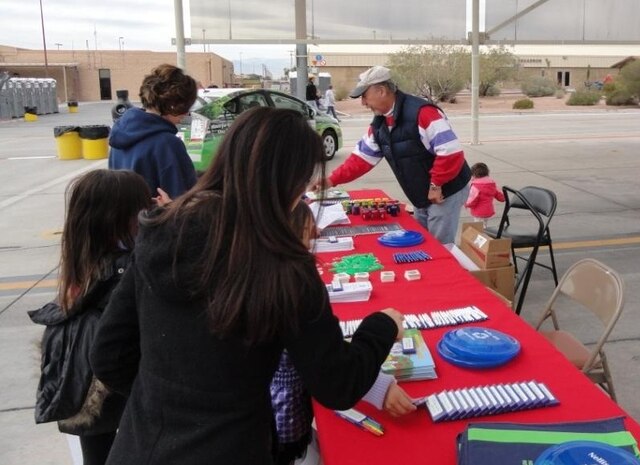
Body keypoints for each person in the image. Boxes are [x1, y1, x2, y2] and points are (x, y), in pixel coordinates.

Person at [89, 107, 405, 465]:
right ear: (289, 184)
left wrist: (167, 404)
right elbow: (338, 384)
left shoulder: (163, 229)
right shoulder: (282, 265)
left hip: (140, 447)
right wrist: (382, 327)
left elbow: (109, 355)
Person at [272, 202, 415, 465]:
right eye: (307, 234)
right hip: (279, 430)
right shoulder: (289, 284)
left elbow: (314, 354)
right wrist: (383, 326)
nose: (314, 240)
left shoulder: (253, 269)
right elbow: (331, 374)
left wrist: (375, 385)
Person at [29, 169, 152, 465]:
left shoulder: (83, 264)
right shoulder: (127, 269)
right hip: (119, 388)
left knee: (96, 453)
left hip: (87, 392)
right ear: (124, 217)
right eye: (144, 207)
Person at [320, 65, 471, 244]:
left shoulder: (423, 112)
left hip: (446, 190)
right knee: (423, 243)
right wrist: (330, 180)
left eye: (364, 96)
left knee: (440, 246)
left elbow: (450, 151)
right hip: (423, 193)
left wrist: (436, 184)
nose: (363, 103)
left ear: (382, 91)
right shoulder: (379, 124)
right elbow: (361, 159)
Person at [108, 63, 198, 200]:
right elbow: (183, 200)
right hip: (157, 219)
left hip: (126, 218)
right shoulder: (167, 144)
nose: (186, 115)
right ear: (174, 106)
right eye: (186, 109)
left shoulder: (119, 136)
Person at [465, 162, 505, 227]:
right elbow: (499, 195)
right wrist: (503, 198)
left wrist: (466, 204)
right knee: (484, 225)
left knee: (478, 227)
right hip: (488, 210)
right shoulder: (491, 184)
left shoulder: (476, 186)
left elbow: (472, 199)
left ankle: (481, 236)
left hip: (478, 211)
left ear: (474, 174)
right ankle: (484, 233)